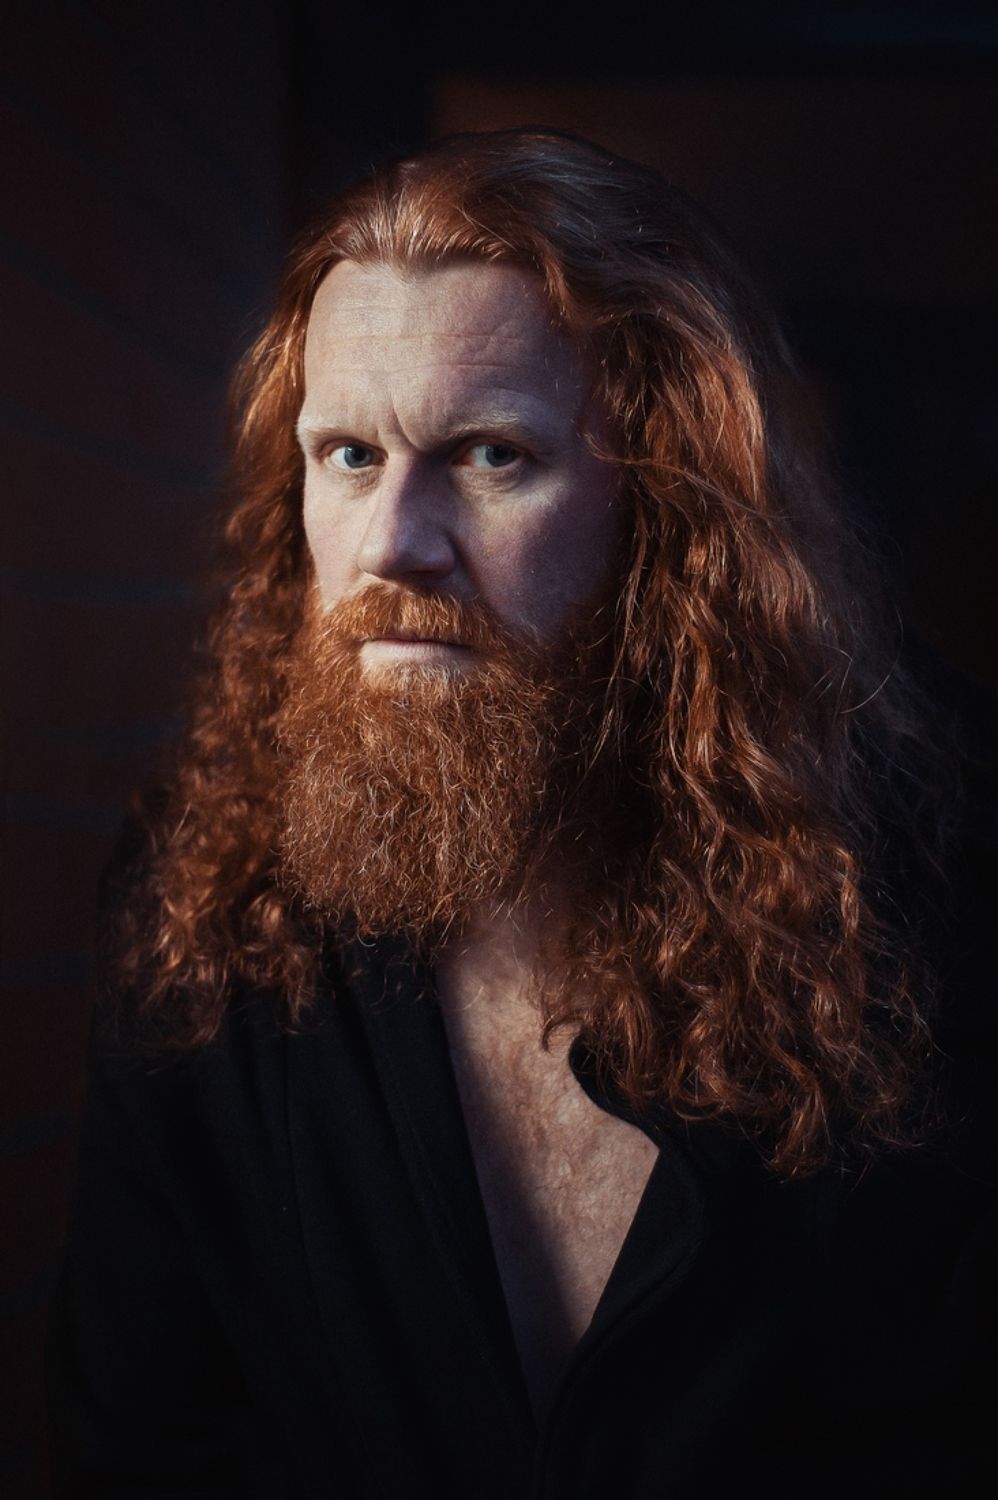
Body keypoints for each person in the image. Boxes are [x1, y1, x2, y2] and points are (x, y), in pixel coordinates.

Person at [45, 128, 995, 1498]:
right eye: (348, 455)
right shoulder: (195, 905)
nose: (392, 544)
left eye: (491, 455)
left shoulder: (940, 885)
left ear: (666, 510)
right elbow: (135, 1447)